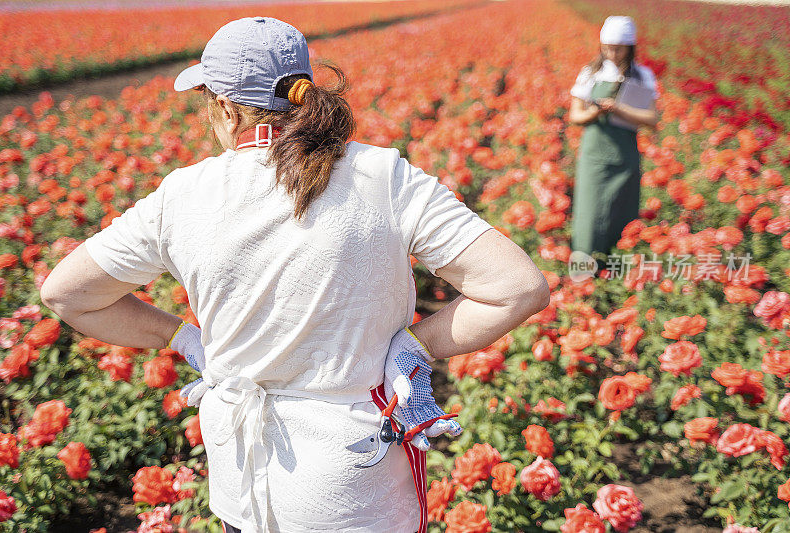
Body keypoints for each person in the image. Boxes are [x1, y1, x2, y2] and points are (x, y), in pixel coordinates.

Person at [39, 17, 550, 533]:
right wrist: (416, 344)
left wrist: (183, 338)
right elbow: (517, 287)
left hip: (244, 486)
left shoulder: (184, 196)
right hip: (353, 487)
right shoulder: (384, 178)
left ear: (224, 108)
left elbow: (66, 294)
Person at [568, 15, 659, 263]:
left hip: (624, 155)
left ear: (630, 48)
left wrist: (619, 109)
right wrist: (596, 111)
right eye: (607, 48)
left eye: (618, 49)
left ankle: (616, 268)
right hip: (594, 155)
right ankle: (586, 268)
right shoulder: (591, 73)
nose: (612, 54)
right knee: (589, 213)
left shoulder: (642, 76)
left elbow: (652, 118)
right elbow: (575, 115)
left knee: (622, 211)